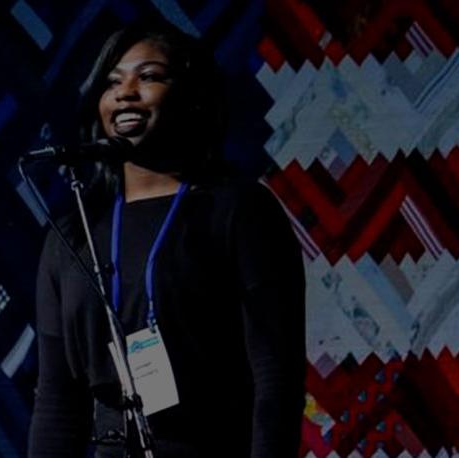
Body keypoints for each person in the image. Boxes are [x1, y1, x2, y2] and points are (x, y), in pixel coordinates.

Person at [28, 23, 307, 458]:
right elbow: (57, 403)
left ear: (192, 97)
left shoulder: (238, 210)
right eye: (112, 82)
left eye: (149, 76)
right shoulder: (72, 235)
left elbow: (276, 381)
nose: (126, 93)